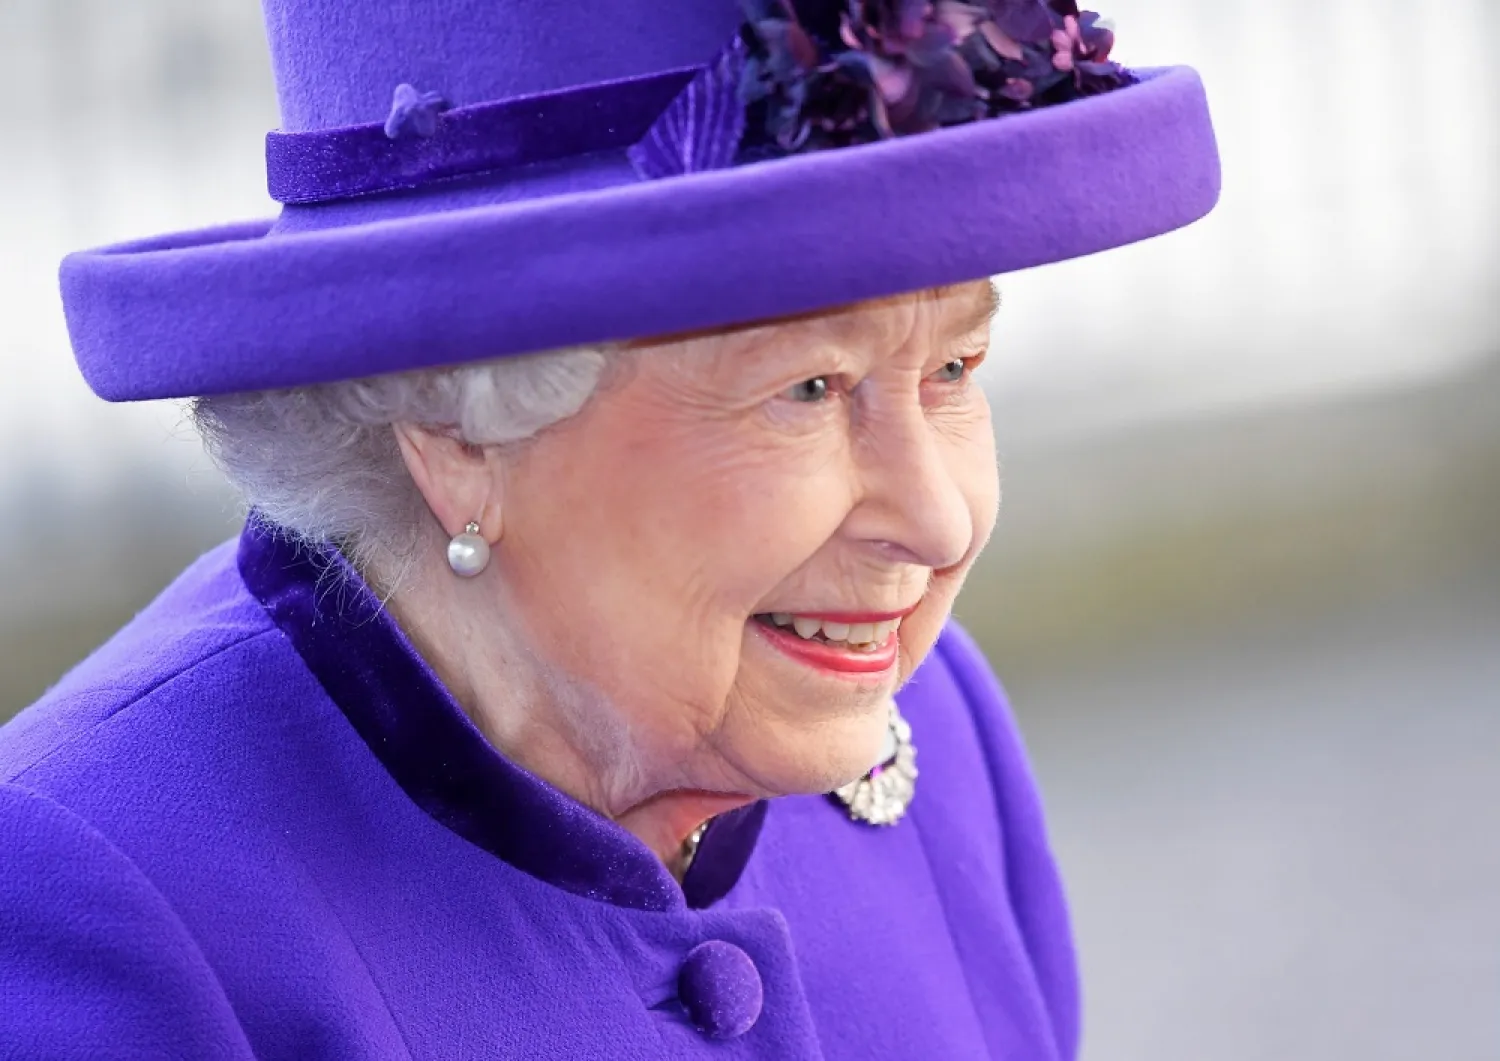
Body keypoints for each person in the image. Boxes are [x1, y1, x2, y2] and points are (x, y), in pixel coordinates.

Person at [0, 1, 1219, 1057]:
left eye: (954, 366)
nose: (938, 518)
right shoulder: (101, 898)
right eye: (809, 388)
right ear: (457, 428)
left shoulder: (936, 723)